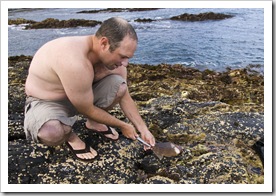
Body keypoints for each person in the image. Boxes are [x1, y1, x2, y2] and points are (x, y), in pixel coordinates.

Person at [24, 17, 156, 162]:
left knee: (120, 86)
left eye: (128, 58)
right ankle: (71, 137)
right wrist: (123, 125)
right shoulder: (74, 60)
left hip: (81, 97)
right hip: (48, 102)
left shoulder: (115, 64)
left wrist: (144, 129)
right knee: (52, 133)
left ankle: (93, 123)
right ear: (104, 43)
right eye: (122, 56)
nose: (125, 63)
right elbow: (86, 108)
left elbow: (125, 97)